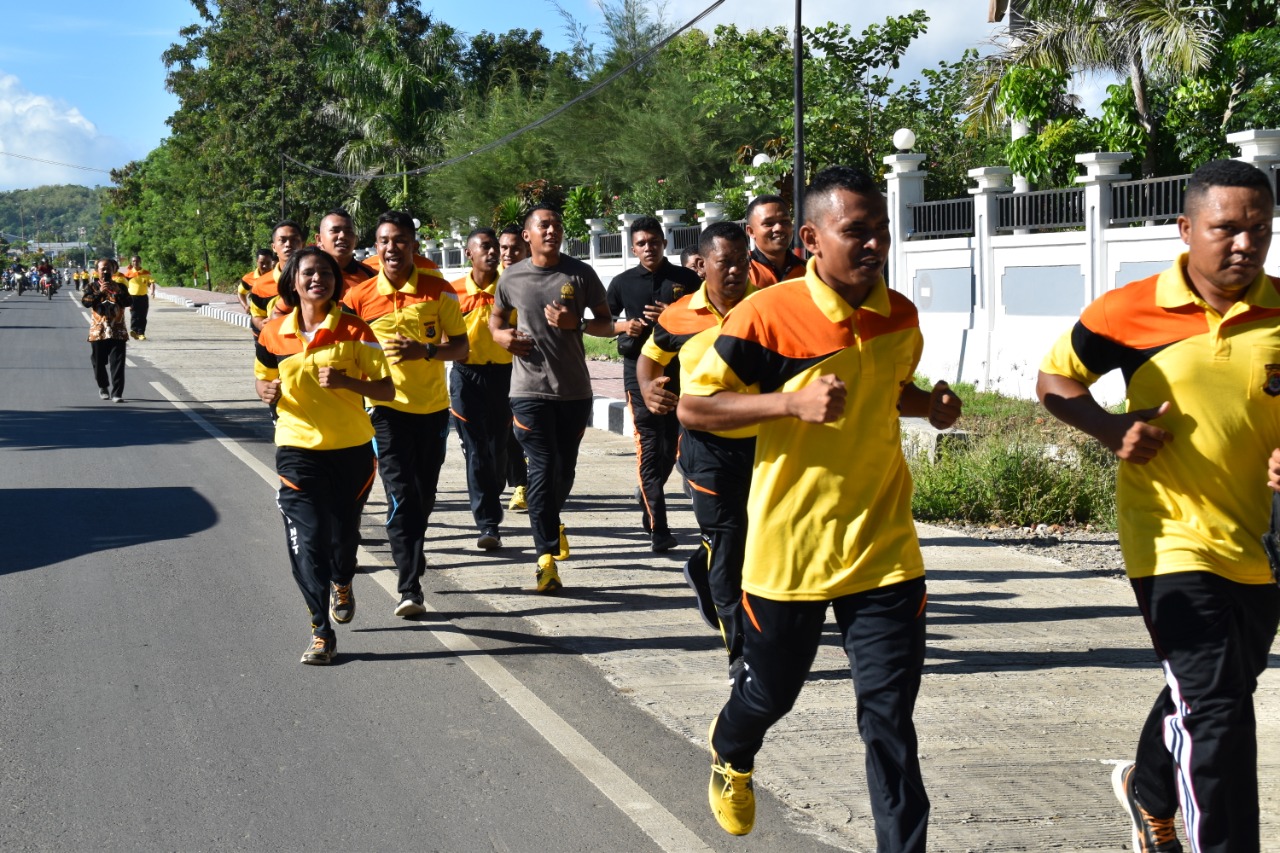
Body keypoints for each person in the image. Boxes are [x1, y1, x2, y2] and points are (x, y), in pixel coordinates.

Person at [679, 166, 960, 846]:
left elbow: (890, 387)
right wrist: (788, 403)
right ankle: (732, 746)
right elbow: (693, 405)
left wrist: (933, 406)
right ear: (810, 239)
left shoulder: (899, 314)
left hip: (883, 548)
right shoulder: (765, 317)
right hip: (790, 554)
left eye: (881, 233)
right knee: (768, 695)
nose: (873, 247)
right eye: (855, 233)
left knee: (889, 719)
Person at [1037, 158, 1280, 853]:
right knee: (1219, 710)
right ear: (1186, 228)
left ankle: (1147, 788)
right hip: (1167, 537)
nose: (1244, 243)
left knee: (1222, 688)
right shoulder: (1129, 310)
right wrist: (1111, 428)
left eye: (1258, 229)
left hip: (1260, 541)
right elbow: (1055, 380)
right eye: (1226, 228)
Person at [255, 246, 394, 665]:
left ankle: (343, 580)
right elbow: (264, 381)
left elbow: (386, 390)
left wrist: (349, 381)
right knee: (308, 540)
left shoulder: (355, 330)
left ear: (336, 282)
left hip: (351, 450)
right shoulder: (273, 333)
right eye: (309, 273)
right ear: (293, 282)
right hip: (297, 450)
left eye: (326, 274)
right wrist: (264, 392)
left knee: (343, 539)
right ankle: (320, 631)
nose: (318, 279)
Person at [638, 221, 755, 672]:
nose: (735, 272)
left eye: (742, 262)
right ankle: (739, 652)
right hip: (706, 449)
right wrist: (649, 392)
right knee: (727, 542)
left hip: (765, 442)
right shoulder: (679, 314)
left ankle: (701, 570)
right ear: (702, 265)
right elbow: (650, 359)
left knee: (754, 541)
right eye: (725, 263)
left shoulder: (765, 308)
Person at [342, 211, 468, 618]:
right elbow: (341, 349)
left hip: (432, 410)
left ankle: (412, 554)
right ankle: (409, 587)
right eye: (384, 241)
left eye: (400, 240)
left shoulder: (439, 290)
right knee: (401, 497)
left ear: (414, 245)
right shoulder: (359, 298)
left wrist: (425, 351)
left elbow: (461, 349)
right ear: (375, 248)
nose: (392, 248)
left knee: (424, 497)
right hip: (384, 410)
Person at [490, 204, 613, 593]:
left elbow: (608, 322)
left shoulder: (580, 273)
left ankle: (551, 519)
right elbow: (496, 322)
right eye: (544, 225)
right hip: (528, 391)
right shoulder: (511, 278)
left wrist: (575, 323)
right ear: (527, 235)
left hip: (574, 391)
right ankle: (544, 558)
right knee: (542, 468)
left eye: (557, 225)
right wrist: (503, 338)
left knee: (564, 470)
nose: (552, 230)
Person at [607, 216, 701, 551]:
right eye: (642, 243)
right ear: (633, 248)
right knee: (649, 447)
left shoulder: (686, 279)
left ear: (665, 242)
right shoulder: (622, 282)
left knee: (673, 448)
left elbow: (706, 317)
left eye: (654, 241)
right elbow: (601, 323)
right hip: (640, 374)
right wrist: (625, 327)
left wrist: (674, 314)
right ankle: (659, 528)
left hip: (682, 373)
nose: (649, 248)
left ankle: (649, 492)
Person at [450, 227, 522, 550]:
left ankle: (494, 497)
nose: (493, 253)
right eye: (485, 247)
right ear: (469, 254)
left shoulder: (512, 289)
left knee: (498, 450)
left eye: (495, 247)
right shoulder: (452, 293)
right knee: (476, 451)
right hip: (466, 378)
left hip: (505, 377)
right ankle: (488, 524)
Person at [498, 223, 532, 512]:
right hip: (496, 369)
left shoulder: (536, 281)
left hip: (531, 369)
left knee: (522, 431)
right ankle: (518, 482)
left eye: (515, 248)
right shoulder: (492, 282)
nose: (508, 253)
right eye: (503, 248)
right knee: (505, 431)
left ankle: (524, 484)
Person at [82, 257, 133, 403]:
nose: (105, 271)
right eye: (102, 268)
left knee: (118, 363)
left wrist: (117, 292)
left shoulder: (120, 286)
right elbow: (86, 303)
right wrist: (99, 293)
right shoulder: (91, 287)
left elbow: (129, 302)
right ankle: (103, 386)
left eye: (108, 268)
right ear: (97, 271)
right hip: (98, 331)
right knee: (98, 362)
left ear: (114, 270)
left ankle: (117, 393)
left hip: (118, 331)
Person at [249, 221, 305, 335]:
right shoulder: (260, 284)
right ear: (274, 247)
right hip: (277, 347)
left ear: (302, 244)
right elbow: (256, 315)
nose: (288, 244)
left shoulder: (317, 279)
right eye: (282, 240)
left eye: (294, 239)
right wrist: (261, 324)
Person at [744, 194, 806, 287]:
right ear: (751, 231)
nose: (779, 228)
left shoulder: (809, 270)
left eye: (784, 221)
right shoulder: (742, 270)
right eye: (768, 223)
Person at [315, 208, 375, 290]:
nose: (342, 236)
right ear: (319, 239)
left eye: (348, 232)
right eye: (335, 230)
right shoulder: (308, 275)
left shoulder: (371, 276)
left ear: (355, 240)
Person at [123, 254, 155, 340]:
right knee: (134, 314)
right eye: (133, 261)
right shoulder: (128, 274)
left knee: (142, 315)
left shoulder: (146, 273)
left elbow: (151, 282)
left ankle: (141, 333)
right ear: (131, 262)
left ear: (140, 262)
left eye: (137, 261)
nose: (135, 263)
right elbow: (124, 285)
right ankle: (134, 331)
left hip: (143, 297)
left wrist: (152, 291)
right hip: (132, 297)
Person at [239, 248, 274, 313]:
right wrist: (245, 306)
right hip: (256, 318)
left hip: (275, 318)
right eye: (262, 263)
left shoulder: (278, 277)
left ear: (272, 262)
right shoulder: (248, 278)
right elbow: (240, 293)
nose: (265, 266)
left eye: (268, 263)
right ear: (257, 262)